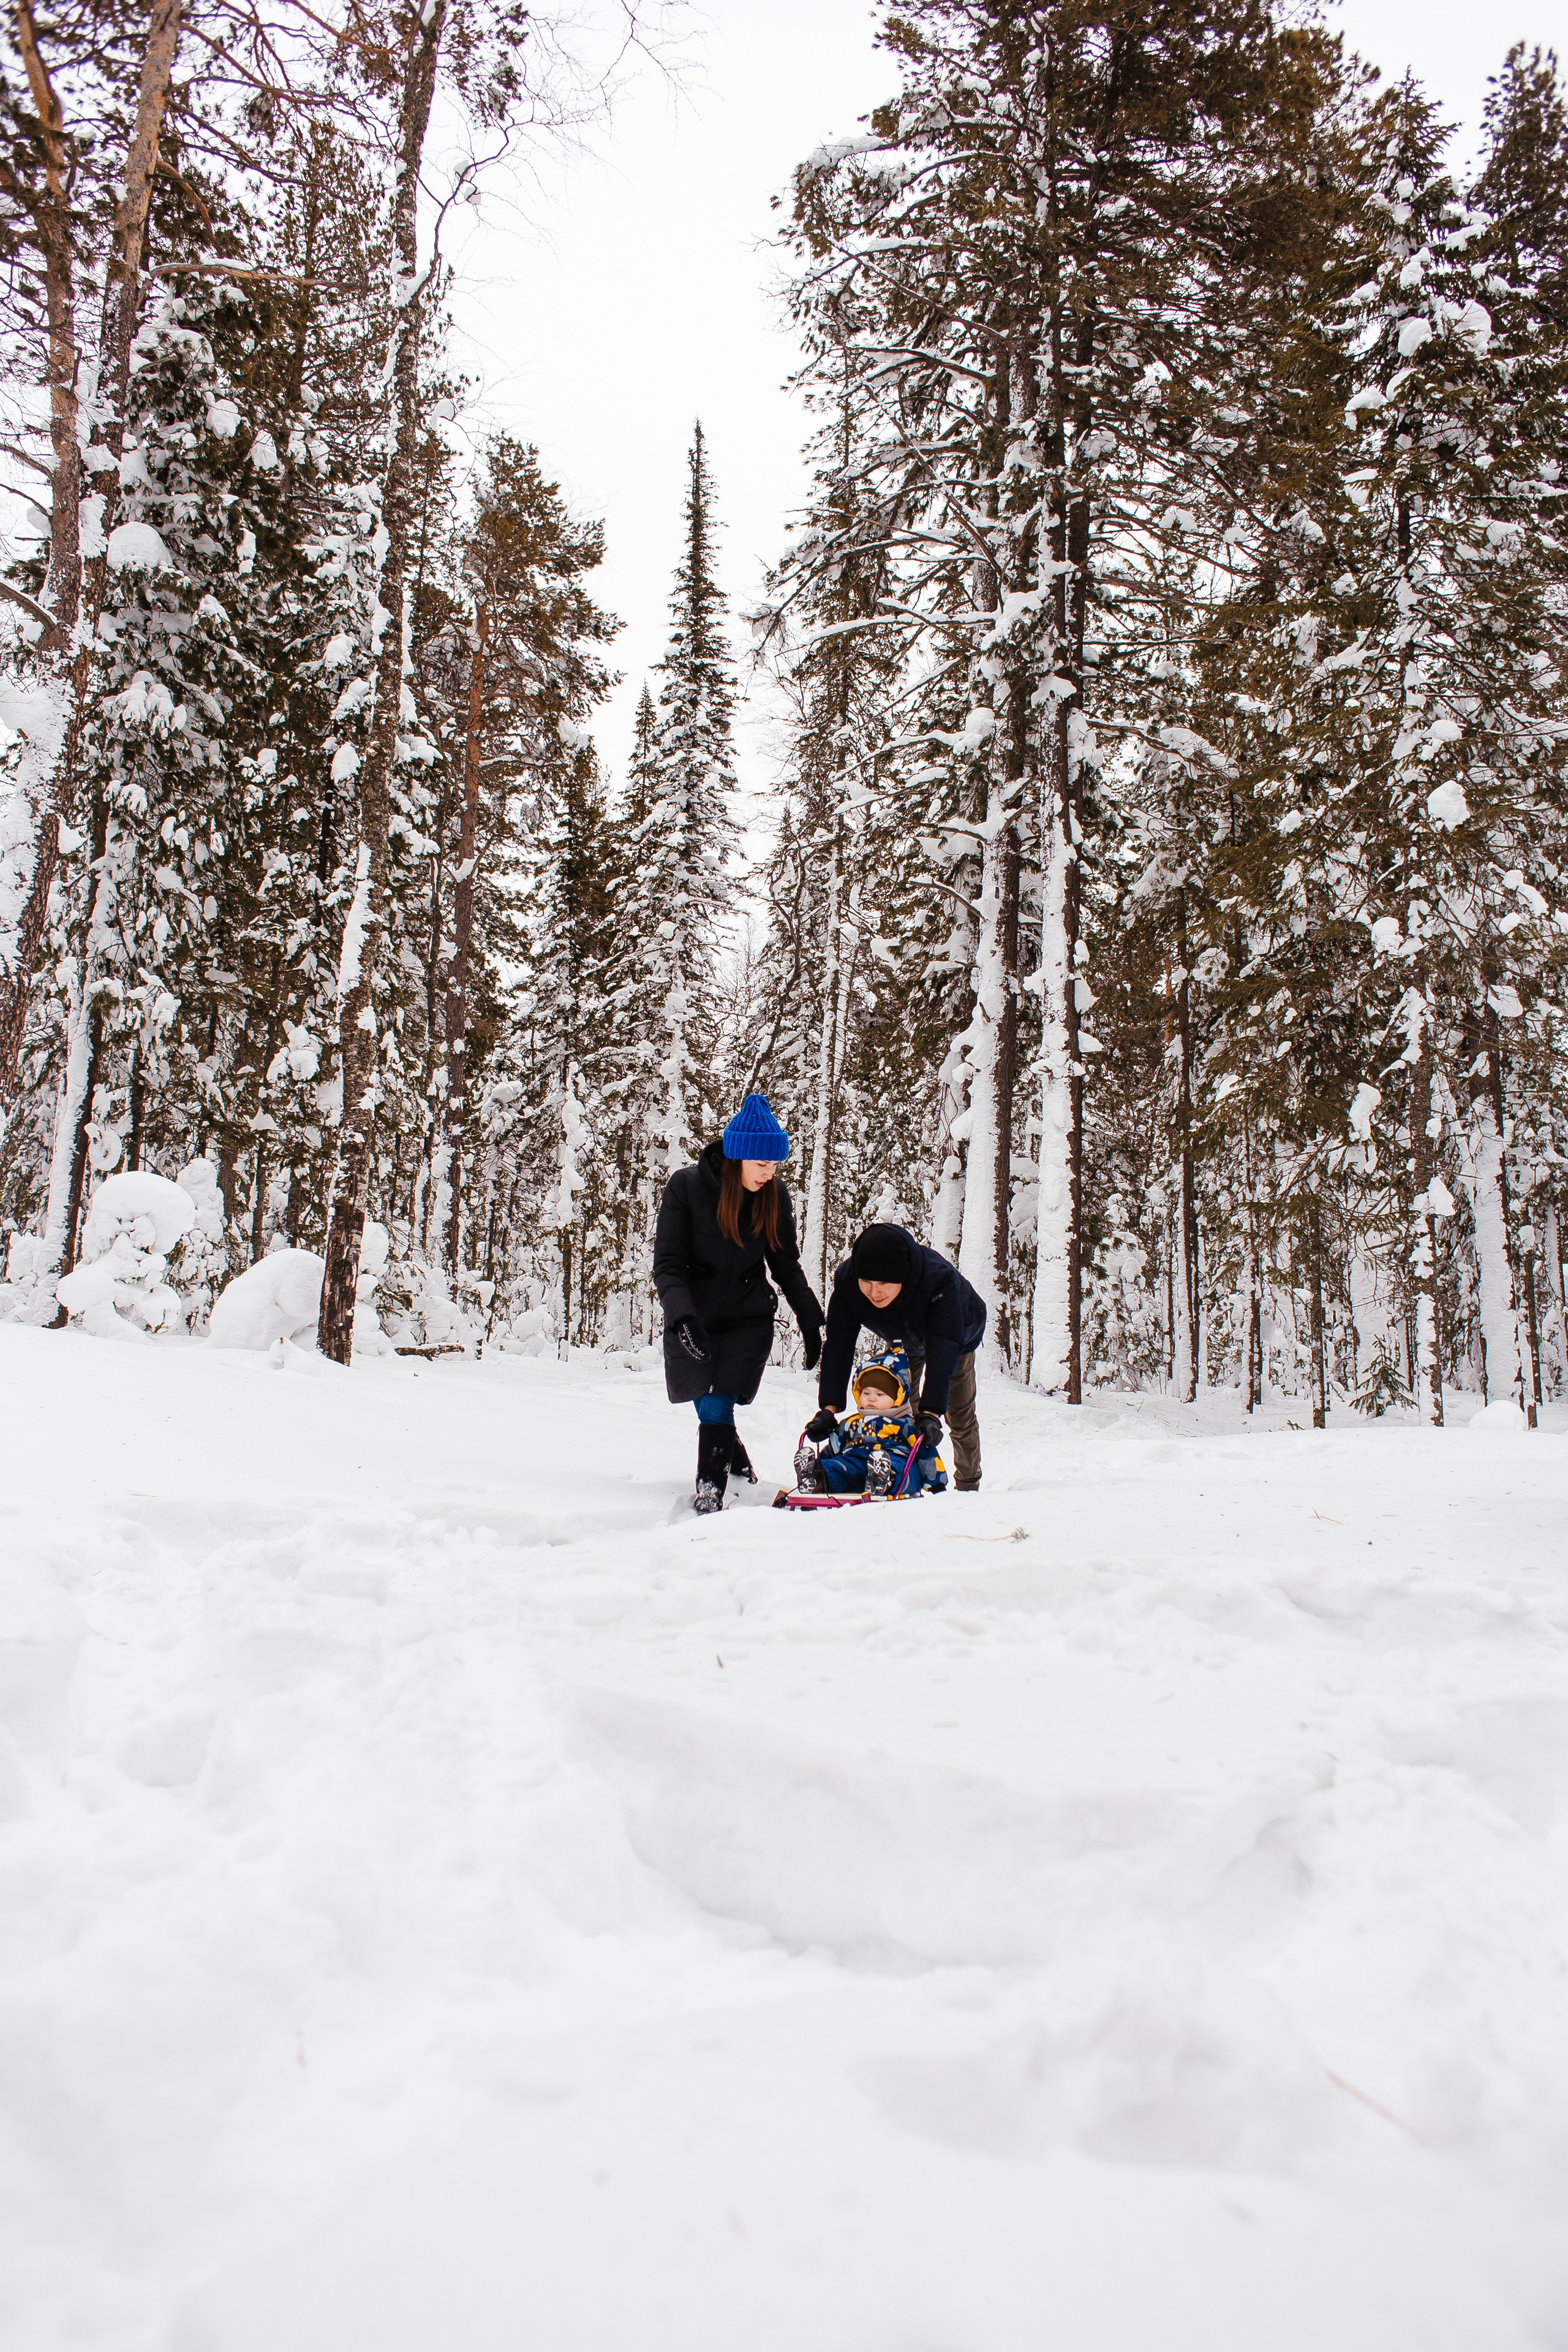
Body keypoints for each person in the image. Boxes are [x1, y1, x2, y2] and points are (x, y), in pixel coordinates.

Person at [653, 1093, 824, 1515]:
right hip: (696, 1315)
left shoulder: (773, 1196)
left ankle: (710, 1489)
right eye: (761, 1164)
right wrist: (683, 1319)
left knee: (717, 1401)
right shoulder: (687, 1187)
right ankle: (740, 1473)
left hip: (748, 1317)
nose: (770, 1173)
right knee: (706, 1401)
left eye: (774, 1165)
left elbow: (785, 1264)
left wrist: (809, 1316)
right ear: (738, 1157)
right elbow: (669, 1265)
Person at [807, 1221, 986, 1490]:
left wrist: (931, 1413)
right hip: (903, 1337)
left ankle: (968, 1483)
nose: (874, 1292)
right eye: (866, 1282)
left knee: (957, 1414)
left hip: (958, 1336)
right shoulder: (847, 1282)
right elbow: (838, 1346)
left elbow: (943, 1349)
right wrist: (828, 1410)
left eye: (883, 1283)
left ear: (903, 1276)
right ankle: (899, 1477)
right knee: (899, 1411)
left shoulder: (937, 1279)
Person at [802, 1348, 948, 1496]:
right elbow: (833, 1447)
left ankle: (885, 1480)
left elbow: (926, 1452)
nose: (872, 1399)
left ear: (898, 1398)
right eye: (866, 1393)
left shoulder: (907, 1424)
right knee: (841, 1467)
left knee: (907, 1471)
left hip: (895, 1459)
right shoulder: (851, 1423)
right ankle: (819, 1478)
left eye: (880, 1394)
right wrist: (821, 1463)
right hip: (855, 1460)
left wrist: (937, 1485)